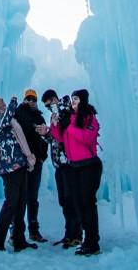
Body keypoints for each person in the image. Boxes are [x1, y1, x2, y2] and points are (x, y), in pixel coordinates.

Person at [0, 94, 38, 252]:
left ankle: (19, 240)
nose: (1, 98)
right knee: (11, 203)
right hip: (10, 167)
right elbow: (6, 120)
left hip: (19, 164)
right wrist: (13, 102)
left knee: (20, 203)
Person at [51, 88, 101, 256]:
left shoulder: (90, 118)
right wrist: (55, 124)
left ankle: (93, 242)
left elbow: (87, 138)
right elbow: (59, 138)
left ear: (84, 100)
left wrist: (69, 126)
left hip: (89, 165)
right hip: (74, 167)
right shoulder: (69, 118)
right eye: (72, 98)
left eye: (77, 99)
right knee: (79, 204)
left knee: (88, 203)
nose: (73, 101)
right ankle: (87, 240)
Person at [41, 89, 81, 247]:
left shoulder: (68, 110)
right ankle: (69, 234)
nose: (49, 108)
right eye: (46, 107)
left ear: (54, 99)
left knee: (71, 199)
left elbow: (68, 134)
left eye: (49, 104)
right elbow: (55, 138)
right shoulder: (54, 115)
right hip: (59, 164)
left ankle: (76, 234)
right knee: (64, 201)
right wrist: (45, 133)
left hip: (70, 163)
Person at [13, 89, 50, 242]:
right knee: (20, 197)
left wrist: (42, 156)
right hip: (23, 162)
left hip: (37, 163)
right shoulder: (18, 114)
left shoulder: (40, 117)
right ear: (24, 100)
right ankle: (16, 231)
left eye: (33, 99)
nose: (30, 101)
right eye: (28, 98)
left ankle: (34, 230)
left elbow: (44, 138)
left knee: (32, 198)